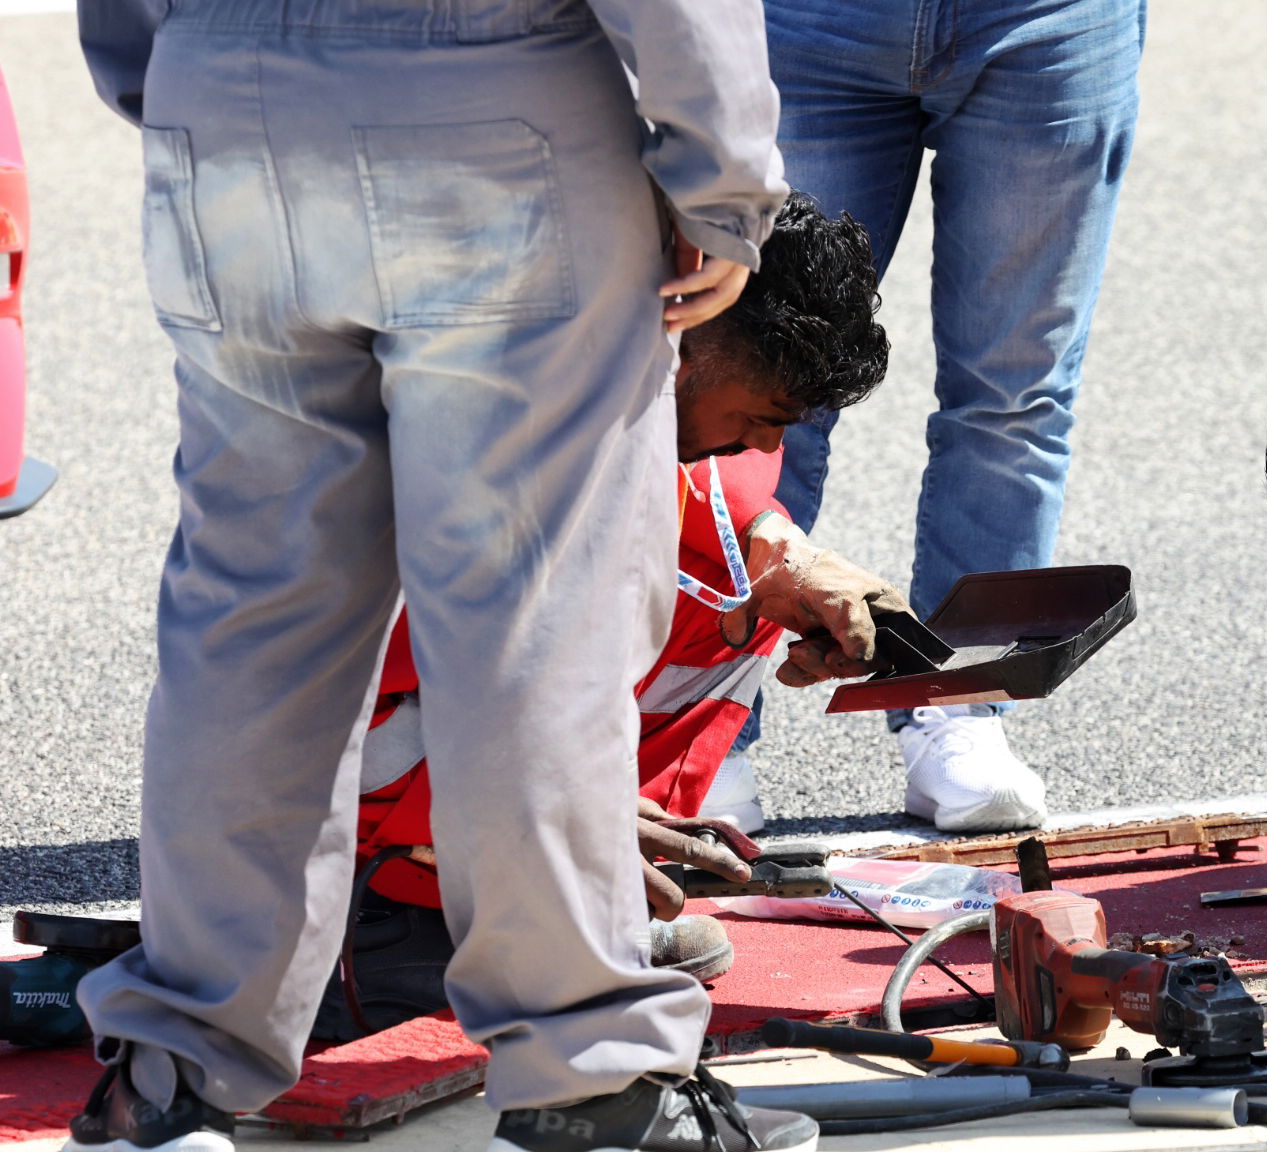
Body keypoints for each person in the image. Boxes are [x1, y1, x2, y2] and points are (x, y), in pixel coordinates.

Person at [69, 4, 819, 1151]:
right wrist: (723, 181)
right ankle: (586, 1075)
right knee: (532, 612)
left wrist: (181, 80)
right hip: (492, 93)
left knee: (251, 613)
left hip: (221, 96)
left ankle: (174, 1070)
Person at [325, 196, 897, 1037]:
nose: (767, 448)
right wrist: (542, 803)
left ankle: (575, 887)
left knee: (736, 604)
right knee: (566, 621)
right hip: (336, 733)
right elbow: (411, 655)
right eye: (761, 417)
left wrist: (780, 548)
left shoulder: (621, 351)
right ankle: (397, 919)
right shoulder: (497, 400)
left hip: (449, 700)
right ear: (693, 339)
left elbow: (700, 489)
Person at [702, 0, 1147, 836]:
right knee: (759, 378)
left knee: (1016, 395)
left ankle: (962, 707)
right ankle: (705, 727)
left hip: (1047, 19)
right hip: (807, 20)